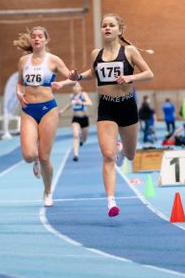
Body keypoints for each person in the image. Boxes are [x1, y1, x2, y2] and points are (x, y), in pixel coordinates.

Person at [54, 13, 153, 217]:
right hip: (106, 108)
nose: (107, 28)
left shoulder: (130, 52)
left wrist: (129, 77)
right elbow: (93, 72)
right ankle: (111, 201)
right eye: (104, 25)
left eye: (111, 25)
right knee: (108, 156)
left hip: (126, 107)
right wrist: (78, 76)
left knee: (130, 154)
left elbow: (149, 74)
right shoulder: (95, 54)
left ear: (119, 30)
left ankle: (122, 149)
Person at [15, 26, 78, 207]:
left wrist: (63, 83)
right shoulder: (23, 61)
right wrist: (19, 93)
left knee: (44, 157)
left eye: (40, 36)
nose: (36, 39)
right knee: (29, 155)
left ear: (46, 40)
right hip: (28, 109)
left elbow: (73, 78)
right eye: (33, 36)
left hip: (48, 109)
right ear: (30, 40)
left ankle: (48, 191)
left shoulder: (53, 60)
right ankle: (34, 161)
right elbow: (20, 83)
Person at [59, 82, 92, 162]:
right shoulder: (72, 96)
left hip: (84, 118)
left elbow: (90, 103)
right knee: (75, 135)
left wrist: (81, 102)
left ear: (80, 88)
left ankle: (82, 140)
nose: (75, 88)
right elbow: (70, 105)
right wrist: (63, 110)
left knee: (84, 139)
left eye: (77, 86)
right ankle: (75, 154)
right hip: (75, 118)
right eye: (74, 87)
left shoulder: (83, 94)